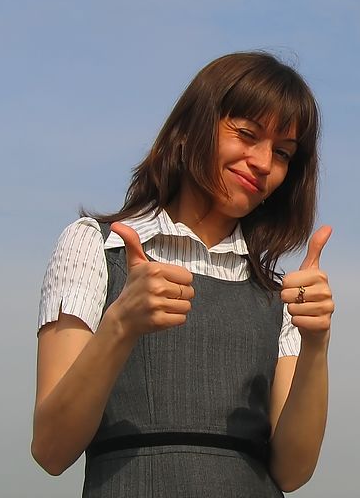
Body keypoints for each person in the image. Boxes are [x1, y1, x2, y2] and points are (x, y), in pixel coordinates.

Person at [31, 51, 334, 496]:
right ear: (191, 128)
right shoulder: (94, 245)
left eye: (283, 153)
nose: (264, 163)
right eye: (247, 134)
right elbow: (51, 450)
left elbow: (293, 471)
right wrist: (120, 325)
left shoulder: (279, 297)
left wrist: (317, 343)